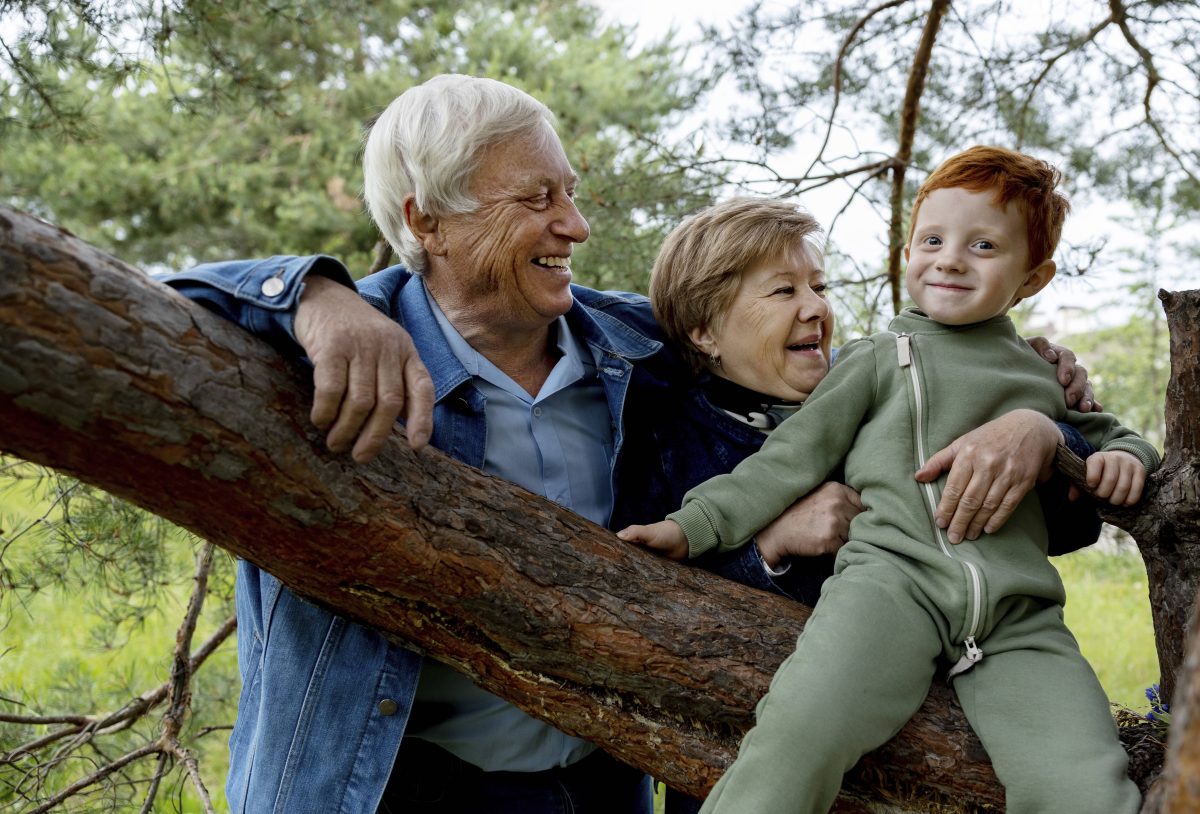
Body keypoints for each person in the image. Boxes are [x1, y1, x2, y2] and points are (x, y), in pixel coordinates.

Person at [160, 75, 1100, 814]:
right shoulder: (327, 346)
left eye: (569, 192)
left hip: (596, 780)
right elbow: (150, 310)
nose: (576, 224)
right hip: (385, 786)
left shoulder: (635, 346)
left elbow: (874, 388)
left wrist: (1034, 407)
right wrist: (314, 292)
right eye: (537, 198)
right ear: (425, 220)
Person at [619, 146, 1158, 814]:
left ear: (1033, 276)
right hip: (890, 594)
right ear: (704, 329)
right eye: (785, 290)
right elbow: (776, 469)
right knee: (798, 736)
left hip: (1015, 614)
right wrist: (714, 533)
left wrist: (1068, 438)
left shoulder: (1032, 371)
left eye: (821, 286)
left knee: (1083, 781)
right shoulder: (856, 370)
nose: (816, 308)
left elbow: (1097, 471)